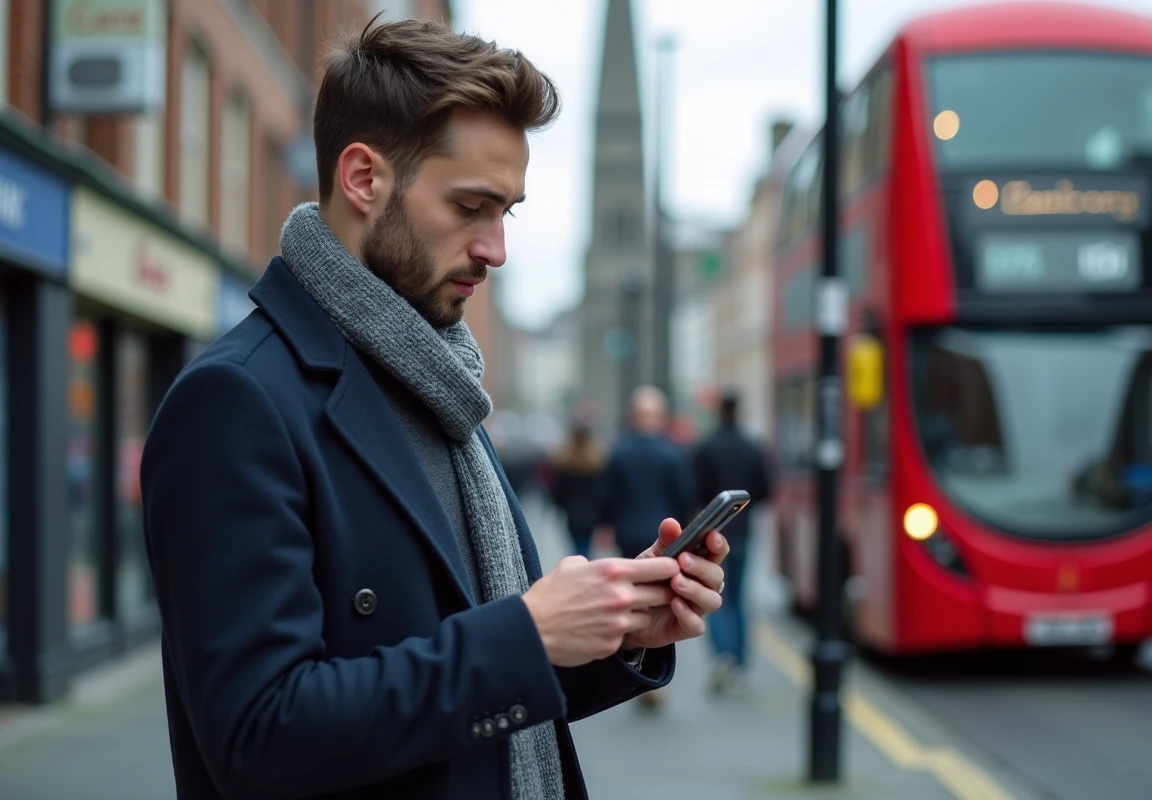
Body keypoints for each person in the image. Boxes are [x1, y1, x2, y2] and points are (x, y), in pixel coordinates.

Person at [140, 18, 728, 800]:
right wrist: (527, 635)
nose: (496, 249)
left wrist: (611, 634)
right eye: (471, 207)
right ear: (363, 179)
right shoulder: (235, 402)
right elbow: (258, 737)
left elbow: (480, 700)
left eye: (507, 212)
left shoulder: (440, 385)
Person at [597, 386, 695, 709]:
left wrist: (609, 524)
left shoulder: (619, 452)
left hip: (628, 534)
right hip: (666, 536)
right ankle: (655, 680)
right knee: (661, 603)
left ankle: (634, 671)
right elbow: (684, 496)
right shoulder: (672, 453)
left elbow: (607, 497)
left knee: (635, 602)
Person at [693, 392, 773, 694]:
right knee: (740, 597)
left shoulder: (706, 447)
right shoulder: (752, 447)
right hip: (744, 532)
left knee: (716, 596)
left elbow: (695, 491)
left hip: (713, 535)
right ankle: (739, 660)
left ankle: (723, 655)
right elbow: (765, 491)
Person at [548, 420, 606, 556]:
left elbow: (558, 493)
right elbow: (602, 492)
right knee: (586, 546)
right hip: (591, 515)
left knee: (577, 547)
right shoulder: (597, 464)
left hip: (572, 514)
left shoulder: (565, 463)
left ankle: (581, 566)